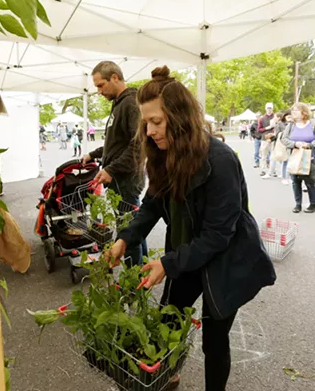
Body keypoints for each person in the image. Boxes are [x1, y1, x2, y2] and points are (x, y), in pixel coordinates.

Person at [107, 66, 276, 391]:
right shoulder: (162, 153)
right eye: (146, 122)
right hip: (187, 253)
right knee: (168, 320)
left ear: (180, 117)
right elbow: (153, 203)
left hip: (226, 261)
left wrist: (167, 263)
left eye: (156, 121)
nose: (150, 130)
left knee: (214, 340)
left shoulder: (221, 160)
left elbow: (218, 235)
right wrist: (126, 239)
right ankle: (167, 375)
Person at [82, 61, 147, 266]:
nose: (99, 91)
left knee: (127, 234)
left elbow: (138, 145)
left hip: (126, 181)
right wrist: (93, 155)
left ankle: (133, 286)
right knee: (134, 230)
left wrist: (111, 169)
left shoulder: (130, 103)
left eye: (101, 85)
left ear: (115, 78)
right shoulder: (118, 104)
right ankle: (140, 274)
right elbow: (116, 144)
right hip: (119, 180)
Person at [281, 102, 315, 213]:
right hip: (294, 157)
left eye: (296, 110)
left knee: (310, 182)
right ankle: (298, 204)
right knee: (295, 182)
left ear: (304, 112)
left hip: (310, 158)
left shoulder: (312, 124)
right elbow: (284, 139)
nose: (293, 112)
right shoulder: (291, 125)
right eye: (292, 110)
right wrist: (295, 144)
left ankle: (312, 204)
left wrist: (309, 144)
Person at [258, 103, 275, 176]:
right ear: (265, 109)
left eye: (270, 108)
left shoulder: (275, 117)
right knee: (263, 156)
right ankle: (263, 170)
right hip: (264, 138)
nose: (269, 109)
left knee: (273, 156)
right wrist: (266, 128)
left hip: (273, 139)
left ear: (272, 108)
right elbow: (259, 129)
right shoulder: (262, 118)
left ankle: (273, 170)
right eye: (268, 108)